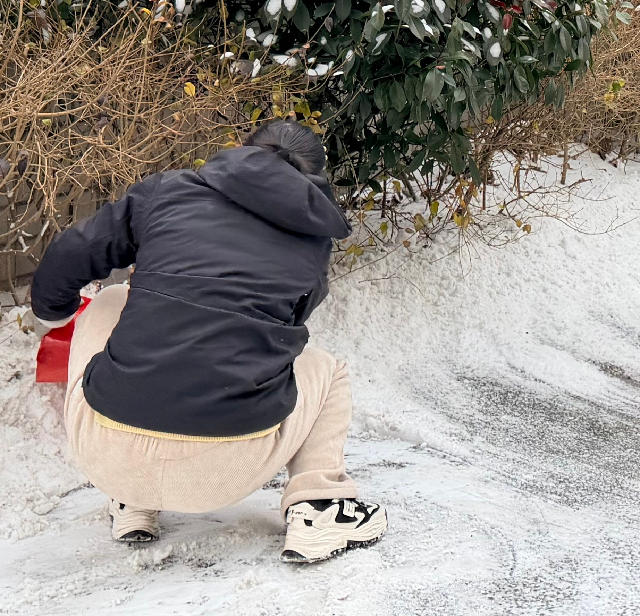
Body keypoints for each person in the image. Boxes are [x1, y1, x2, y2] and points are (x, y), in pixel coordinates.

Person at [26, 121, 386, 564]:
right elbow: (288, 329)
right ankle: (319, 508)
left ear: (242, 151)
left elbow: (69, 255)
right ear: (312, 179)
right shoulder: (312, 240)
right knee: (327, 369)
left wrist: (53, 316)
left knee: (111, 300)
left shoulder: (167, 192)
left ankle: (131, 498)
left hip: (106, 455)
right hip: (225, 473)